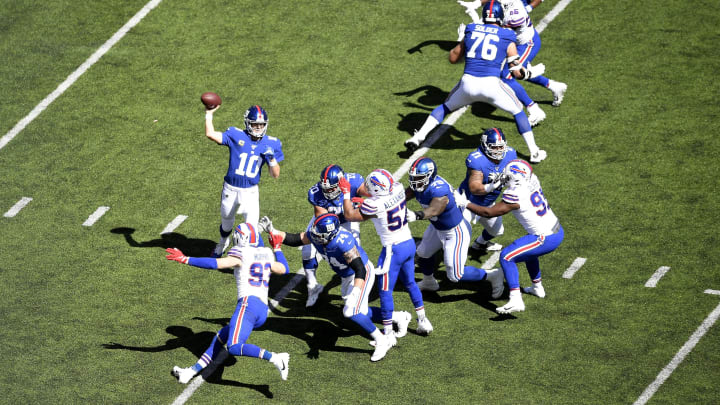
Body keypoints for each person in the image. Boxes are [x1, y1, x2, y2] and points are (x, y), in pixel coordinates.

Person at [404, 0, 547, 164]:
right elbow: (515, 72)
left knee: (445, 107)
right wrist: (529, 72)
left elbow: (452, 58)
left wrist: (461, 40)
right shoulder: (507, 36)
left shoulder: (470, 30)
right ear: (501, 17)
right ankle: (534, 152)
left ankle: (418, 137)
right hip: (492, 86)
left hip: (468, 84)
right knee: (518, 111)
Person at [165, 222, 292, 383]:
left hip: (248, 305)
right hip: (261, 309)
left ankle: (275, 357)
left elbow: (216, 264)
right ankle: (190, 372)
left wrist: (186, 259)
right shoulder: (266, 253)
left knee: (233, 346)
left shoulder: (241, 254)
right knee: (221, 335)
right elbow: (283, 269)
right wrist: (278, 248)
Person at [259, 213, 396, 361]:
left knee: (351, 311)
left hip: (360, 275)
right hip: (346, 276)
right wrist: (273, 230)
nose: (315, 235)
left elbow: (360, 269)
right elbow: (295, 239)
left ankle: (382, 341)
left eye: (319, 234)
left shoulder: (343, 241)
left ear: (330, 234)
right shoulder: (320, 235)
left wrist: (355, 292)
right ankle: (399, 317)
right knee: (361, 311)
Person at [455, 159, 564, 314]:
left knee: (506, 256)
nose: (504, 178)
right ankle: (537, 287)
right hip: (555, 229)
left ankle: (515, 299)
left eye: (507, 177)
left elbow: (489, 212)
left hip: (545, 238)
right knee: (528, 253)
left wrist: (465, 203)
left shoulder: (515, 194)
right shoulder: (532, 180)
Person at [339, 169, 434, 337]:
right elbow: (383, 204)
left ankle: (388, 333)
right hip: (409, 243)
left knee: (385, 291)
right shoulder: (397, 189)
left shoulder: (373, 204)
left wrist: (346, 193)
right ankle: (423, 320)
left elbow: (350, 215)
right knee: (410, 283)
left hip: (393, 250)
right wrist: (363, 202)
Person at [405, 157, 504, 298]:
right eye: (413, 177)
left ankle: (493, 275)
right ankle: (429, 282)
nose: (415, 181)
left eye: (419, 178)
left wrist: (417, 215)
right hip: (438, 227)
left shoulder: (439, 190)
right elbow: (408, 192)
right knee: (423, 252)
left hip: (455, 231)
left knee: (455, 275)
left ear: (429, 176)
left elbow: (434, 210)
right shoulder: (422, 184)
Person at [458, 0, 567, 124]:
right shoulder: (504, 5)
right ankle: (553, 86)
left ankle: (534, 109)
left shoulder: (516, 13)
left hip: (526, 44)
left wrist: (476, 25)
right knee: (511, 73)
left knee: (507, 76)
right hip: (513, 43)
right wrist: (476, 5)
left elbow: (501, 33)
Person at [204, 104, 284, 257]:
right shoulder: (236, 134)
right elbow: (210, 134)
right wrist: (209, 113)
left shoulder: (272, 143)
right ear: (248, 123)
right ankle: (223, 242)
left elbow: (275, 175)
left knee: (252, 229)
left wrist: (272, 159)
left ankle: (250, 258)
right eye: (255, 124)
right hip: (231, 189)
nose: (258, 128)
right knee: (226, 221)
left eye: (261, 125)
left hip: (250, 191)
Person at [300, 164, 365, 307]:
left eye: (331, 188)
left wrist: (364, 204)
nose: (327, 192)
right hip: (326, 220)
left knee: (352, 255)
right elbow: (321, 217)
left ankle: (354, 290)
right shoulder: (316, 193)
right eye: (325, 189)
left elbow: (371, 196)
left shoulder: (354, 181)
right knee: (306, 250)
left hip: (348, 221)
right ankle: (312, 286)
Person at [458, 127, 517, 252]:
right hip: (466, 202)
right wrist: (493, 185)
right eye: (494, 147)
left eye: (500, 147)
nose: (498, 150)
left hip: (488, 203)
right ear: (485, 145)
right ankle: (425, 253)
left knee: (497, 230)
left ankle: (480, 244)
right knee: (458, 237)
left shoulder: (511, 154)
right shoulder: (477, 160)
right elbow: (474, 188)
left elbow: (515, 174)